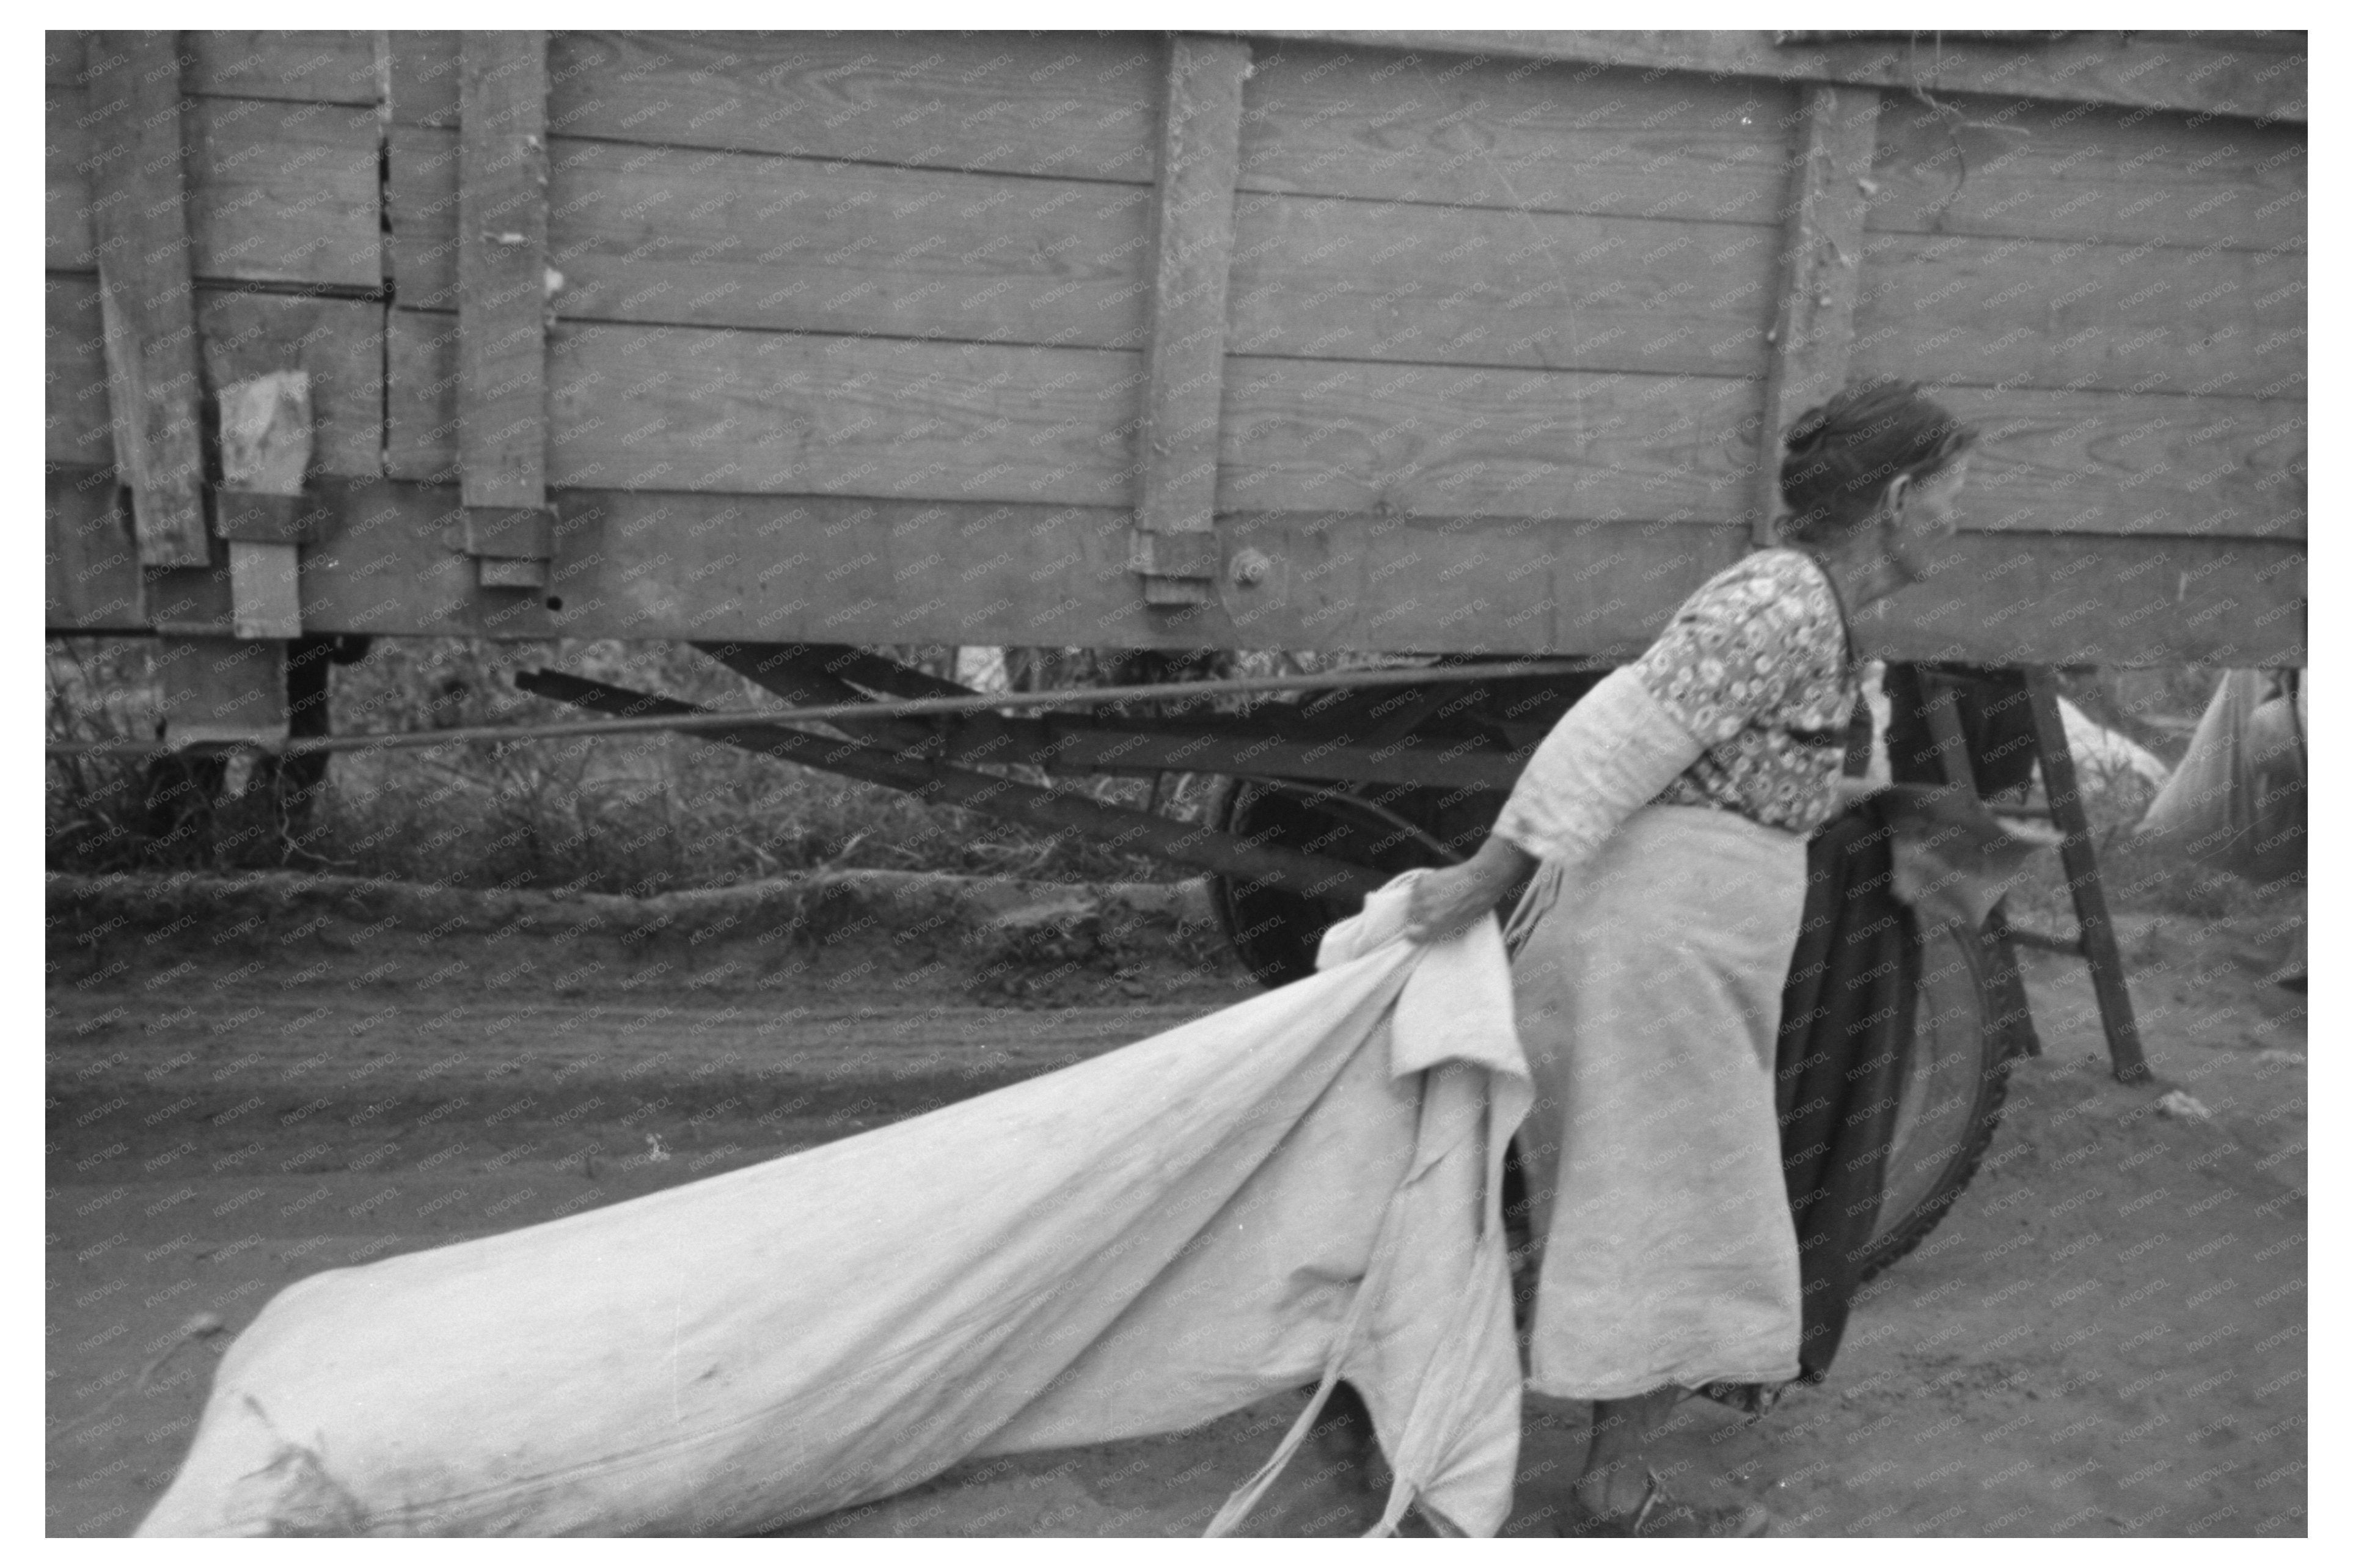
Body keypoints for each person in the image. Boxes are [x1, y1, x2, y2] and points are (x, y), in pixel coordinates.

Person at [1400, 378, 1979, 1537]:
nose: (1963, 520)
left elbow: (1738, 764)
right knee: (1675, 1214)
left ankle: (1563, 1455)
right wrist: (1482, 881)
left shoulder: (1806, 607)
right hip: (1652, 956)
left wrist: (1895, 808)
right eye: (1956, 494)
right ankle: (1605, 1485)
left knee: (1661, 1211)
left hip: (1681, 951)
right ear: (1902, 497)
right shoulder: (1783, 602)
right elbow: (1614, 735)